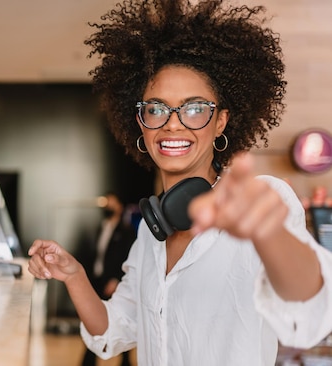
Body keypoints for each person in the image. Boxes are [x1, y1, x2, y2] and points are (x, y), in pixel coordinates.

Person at [27, 1, 332, 365]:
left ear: (220, 121)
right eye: (156, 108)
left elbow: (311, 310)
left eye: (194, 108)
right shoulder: (150, 235)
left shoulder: (261, 198)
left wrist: (269, 234)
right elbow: (114, 330)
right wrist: (74, 275)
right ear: (140, 123)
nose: (173, 124)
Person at [78, 192, 136, 366]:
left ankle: (125, 363)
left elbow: (129, 259)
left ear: (119, 205)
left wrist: (117, 279)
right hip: (98, 280)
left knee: (122, 320)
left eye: (111, 201)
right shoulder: (101, 228)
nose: (107, 204)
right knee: (93, 320)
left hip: (114, 283)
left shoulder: (126, 231)